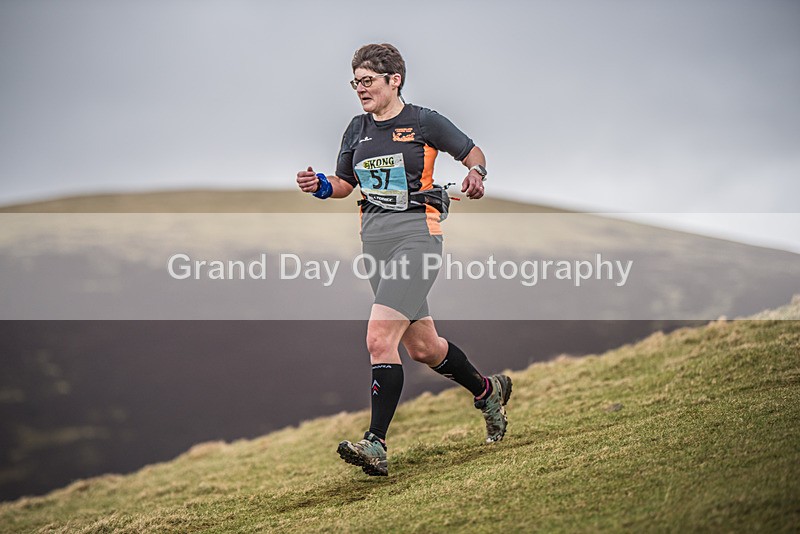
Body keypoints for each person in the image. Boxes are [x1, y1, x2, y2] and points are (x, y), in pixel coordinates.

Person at [296, 43, 511, 477]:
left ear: (394, 80)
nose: (360, 89)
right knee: (423, 348)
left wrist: (476, 173)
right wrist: (320, 185)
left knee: (379, 338)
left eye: (368, 81)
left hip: (417, 239)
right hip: (375, 245)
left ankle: (375, 443)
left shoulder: (423, 122)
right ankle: (487, 391)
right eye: (355, 82)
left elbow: (473, 152)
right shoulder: (356, 129)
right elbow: (345, 183)